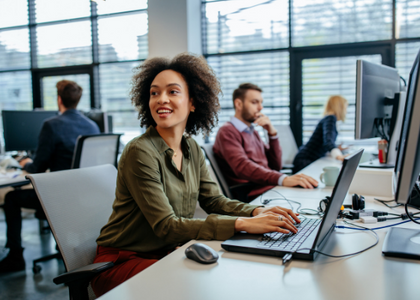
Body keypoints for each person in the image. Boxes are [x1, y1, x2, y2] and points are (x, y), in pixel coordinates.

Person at [90, 53, 301, 297]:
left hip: (165, 253)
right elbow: (166, 226)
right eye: (154, 93)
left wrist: (257, 212)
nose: (161, 99)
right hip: (122, 262)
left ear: (193, 102)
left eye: (173, 91)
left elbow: (214, 201)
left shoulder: (191, 148)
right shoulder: (140, 151)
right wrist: (243, 224)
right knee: (198, 286)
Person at [0, 80, 100, 273]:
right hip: (86, 194)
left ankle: (15, 258)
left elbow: (37, 167)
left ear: (59, 99)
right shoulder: (92, 126)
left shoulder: (51, 125)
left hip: (59, 197)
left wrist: (23, 162)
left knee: (12, 198)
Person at [213, 83, 318, 202]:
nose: (260, 108)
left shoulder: (252, 132)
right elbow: (242, 166)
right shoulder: (227, 131)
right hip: (254, 193)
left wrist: (272, 135)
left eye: (261, 102)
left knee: (312, 193)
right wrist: (282, 179)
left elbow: (275, 166)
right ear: (238, 104)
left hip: (268, 188)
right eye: (254, 102)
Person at [292, 95, 348, 173]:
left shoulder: (328, 118)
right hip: (305, 161)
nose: (346, 110)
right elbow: (328, 141)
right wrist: (339, 156)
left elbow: (324, 142)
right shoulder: (330, 118)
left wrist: (337, 149)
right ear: (340, 107)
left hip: (308, 158)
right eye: (345, 107)